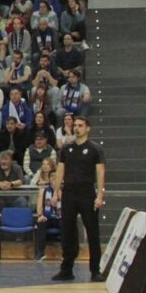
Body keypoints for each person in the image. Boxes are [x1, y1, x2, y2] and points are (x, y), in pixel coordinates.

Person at [51, 116, 106, 282]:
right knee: (67, 231)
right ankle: (66, 269)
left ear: (87, 128)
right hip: (69, 192)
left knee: (92, 231)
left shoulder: (95, 149)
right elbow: (60, 170)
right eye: (75, 125)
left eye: (80, 125)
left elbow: (100, 172)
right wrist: (55, 192)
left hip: (87, 192)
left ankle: (95, 270)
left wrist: (100, 195)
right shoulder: (66, 149)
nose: (76, 128)